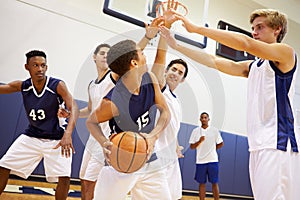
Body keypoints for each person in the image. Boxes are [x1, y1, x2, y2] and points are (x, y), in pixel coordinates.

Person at [160, 8, 299, 200]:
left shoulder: (285, 53)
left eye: (260, 27)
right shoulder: (253, 66)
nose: (254, 32)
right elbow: (213, 61)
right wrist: (177, 45)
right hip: (258, 145)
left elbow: (245, 43)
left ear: (277, 30)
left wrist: (197, 29)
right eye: (253, 28)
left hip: (278, 144)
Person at [85, 39, 171, 200]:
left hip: (150, 161)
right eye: (142, 53)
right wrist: (104, 142)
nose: (145, 55)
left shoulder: (150, 79)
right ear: (134, 63)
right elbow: (91, 122)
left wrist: (153, 136)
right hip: (121, 163)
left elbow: (165, 112)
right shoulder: (113, 102)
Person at [0, 50, 79, 200]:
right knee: (3, 165)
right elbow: (4, 89)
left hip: (57, 139)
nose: (40, 69)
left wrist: (68, 134)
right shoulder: (23, 86)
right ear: (27, 67)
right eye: (35, 65)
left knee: (64, 177)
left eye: (43, 65)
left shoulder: (57, 85)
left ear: (46, 67)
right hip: (32, 136)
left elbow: (73, 106)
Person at [76, 44, 118, 200]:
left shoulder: (113, 76)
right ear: (94, 57)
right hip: (92, 137)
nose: (106, 56)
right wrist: (72, 114)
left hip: (106, 137)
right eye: (102, 53)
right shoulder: (92, 85)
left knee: (90, 180)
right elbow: (89, 109)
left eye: (109, 54)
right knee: (83, 178)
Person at [189, 112, 224, 200]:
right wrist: (199, 141)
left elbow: (221, 143)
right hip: (200, 161)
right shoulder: (195, 131)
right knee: (201, 183)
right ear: (200, 119)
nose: (204, 119)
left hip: (212, 161)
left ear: (208, 119)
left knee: (214, 183)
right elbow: (192, 147)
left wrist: (212, 149)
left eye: (205, 117)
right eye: (202, 117)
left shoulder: (214, 130)